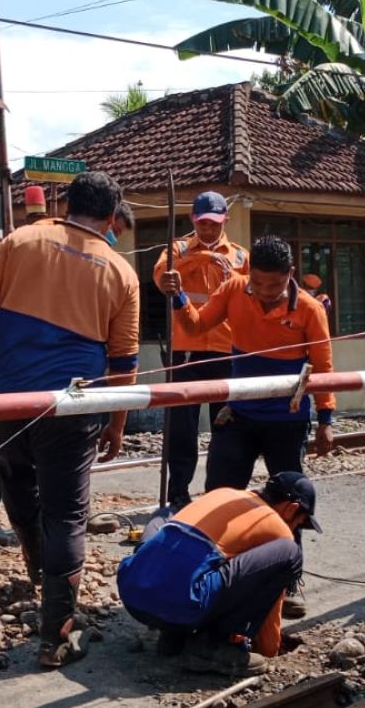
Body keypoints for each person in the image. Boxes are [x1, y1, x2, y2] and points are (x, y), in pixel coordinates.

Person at [0, 170, 139, 670]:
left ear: (65, 204)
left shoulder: (19, 242)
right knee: (66, 514)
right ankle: (57, 635)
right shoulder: (120, 272)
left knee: (18, 483)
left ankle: (42, 582)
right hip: (71, 406)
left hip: (1, 396)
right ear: (111, 218)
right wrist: (117, 422)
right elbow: (124, 361)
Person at [161, 234, 333, 620]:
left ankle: (289, 583)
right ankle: (212, 571)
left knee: (290, 504)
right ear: (248, 273)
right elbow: (196, 326)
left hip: (286, 422)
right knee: (219, 494)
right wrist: (178, 297)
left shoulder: (308, 309)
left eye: (274, 285)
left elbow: (323, 369)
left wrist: (325, 421)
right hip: (238, 416)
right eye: (258, 283)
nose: (266, 292)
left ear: (289, 275)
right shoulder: (235, 289)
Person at [0, 199, 137, 550]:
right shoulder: (37, 241)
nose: (112, 239)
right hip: (29, 374)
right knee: (26, 454)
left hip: (31, 376)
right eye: (114, 231)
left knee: (32, 455)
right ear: (106, 220)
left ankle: (49, 535)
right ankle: (3, 518)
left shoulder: (59, 247)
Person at [116, 471, 318, 676]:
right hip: (180, 607)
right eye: (299, 522)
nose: (294, 529)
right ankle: (212, 645)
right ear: (291, 509)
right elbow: (271, 604)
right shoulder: (277, 528)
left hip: (132, 593)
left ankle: (173, 636)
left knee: (167, 518)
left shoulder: (224, 494)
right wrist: (270, 650)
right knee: (289, 553)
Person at [151, 190, 249, 509]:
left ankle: (219, 492)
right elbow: (162, 275)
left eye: (214, 223)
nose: (208, 229)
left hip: (224, 347)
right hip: (186, 347)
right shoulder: (177, 248)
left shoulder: (239, 256)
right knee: (182, 425)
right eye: (202, 223)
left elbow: (249, 292)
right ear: (193, 220)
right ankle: (178, 491)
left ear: (225, 221)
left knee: (225, 424)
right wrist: (202, 257)